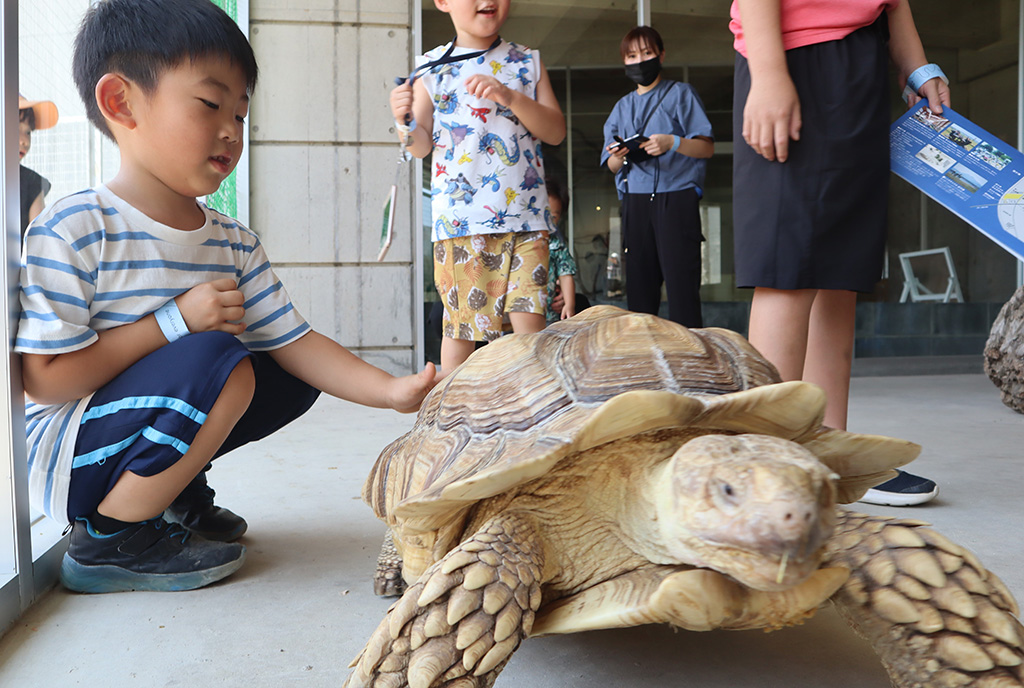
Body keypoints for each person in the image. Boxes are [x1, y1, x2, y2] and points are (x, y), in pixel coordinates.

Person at [15, 0, 437, 594]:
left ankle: (171, 495)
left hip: (144, 419)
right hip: (74, 456)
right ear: (121, 103)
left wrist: (391, 391)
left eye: (240, 113)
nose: (230, 131)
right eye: (211, 104)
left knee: (284, 374)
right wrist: (173, 322)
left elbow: (297, 342)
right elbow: (46, 379)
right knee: (219, 358)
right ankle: (109, 537)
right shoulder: (77, 227)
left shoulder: (232, 242)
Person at [730, 0, 949, 506]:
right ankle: (766, 467)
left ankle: (830, 453)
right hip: (794, 56)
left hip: (862, 59)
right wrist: (768, 75)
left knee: (840, 269)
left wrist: (917, 67)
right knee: (789, 264)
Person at [389, 0, 566, 374]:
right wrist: (403, 120)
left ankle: (534, 413)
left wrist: (510, 96)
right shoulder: (431, 69)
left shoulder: (526, 61)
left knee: (529, 326)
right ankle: (447, 420)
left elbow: (554, 131)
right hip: (461, 222)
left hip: (526, 220)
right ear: (443, 3)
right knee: (461, 328)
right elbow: (419, 145)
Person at [601, 26, 714, 328]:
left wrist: (672, 142)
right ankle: (646, 367)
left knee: (682, 289)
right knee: (639, 294)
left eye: (647, 53)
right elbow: (610, 166)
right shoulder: (621, 107)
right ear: (624, 62)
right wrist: (617, 156)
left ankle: (692, 366)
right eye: (632, 56)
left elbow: (706, 148)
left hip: (676, 198)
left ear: (661, 55)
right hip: (635, 202)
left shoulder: (681, 94)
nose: (640, 61)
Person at [543, 176, 590, 323]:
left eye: (554, 217)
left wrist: (569, 304)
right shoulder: (517, 241)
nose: (547, 221)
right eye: (542, 214)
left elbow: (565, 274)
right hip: (519, 315)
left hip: (549, 316)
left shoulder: (556, 244)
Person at [19, 94, 59, 235]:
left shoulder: (32, 182)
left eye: (28, 132)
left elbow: (39, 239)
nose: (25, 141)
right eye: (16, 130)